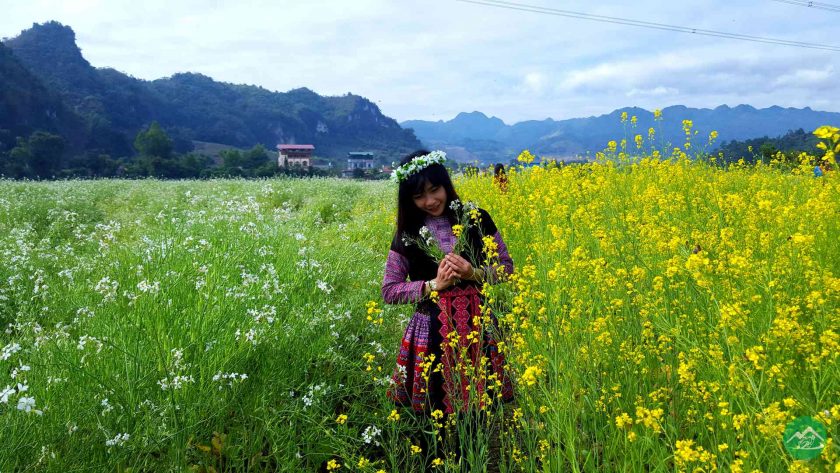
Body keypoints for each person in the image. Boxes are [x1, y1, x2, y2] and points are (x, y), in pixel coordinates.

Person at [382, 150, 515, 416]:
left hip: (480, 327)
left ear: (446, 184)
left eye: (435, 189)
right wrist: (432, 284)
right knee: (434, 414)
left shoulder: (477, 218)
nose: (430, 201)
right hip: (431, 331)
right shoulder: (407, 233)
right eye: (419, 196)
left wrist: (473, 273)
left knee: (480, 412)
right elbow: (390, 290)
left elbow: (506, 268)